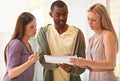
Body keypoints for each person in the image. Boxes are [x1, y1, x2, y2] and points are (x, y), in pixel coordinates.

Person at [37, 0, 86, 81]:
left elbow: (82, 66)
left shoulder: (78, 33)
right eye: (58, 15)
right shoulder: (44, 33)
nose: (62, 18)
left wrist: (71, 69)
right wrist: (60, 61)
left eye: (64, 14)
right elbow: (42, 59)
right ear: (51, 14)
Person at [70, 3, 118, 81]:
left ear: (102, 20)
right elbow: (92, 65)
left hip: (105, 78)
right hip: (92, 77)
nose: (90, 22)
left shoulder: (107, 35)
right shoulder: (91, 39)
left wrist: (86, 62)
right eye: (88, 19)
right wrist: (78, 61)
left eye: (94, 20)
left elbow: (110, 64)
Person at [3, 12, 40, 81]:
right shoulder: (16, 44)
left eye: (35, 26)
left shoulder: (28, 45)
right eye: (31, 27)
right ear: (22, 28)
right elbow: (11, 73)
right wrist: (30, 62)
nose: (35, 30)